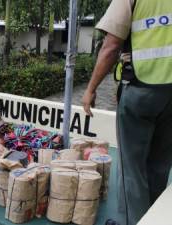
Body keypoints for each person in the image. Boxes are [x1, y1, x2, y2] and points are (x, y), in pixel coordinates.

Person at [82, 0, 172, 225]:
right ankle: (152, 220)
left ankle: (130, 222)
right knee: (159, 165)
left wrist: (91, 89)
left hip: (141, 91)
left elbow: (111, 46)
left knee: (131, 167)